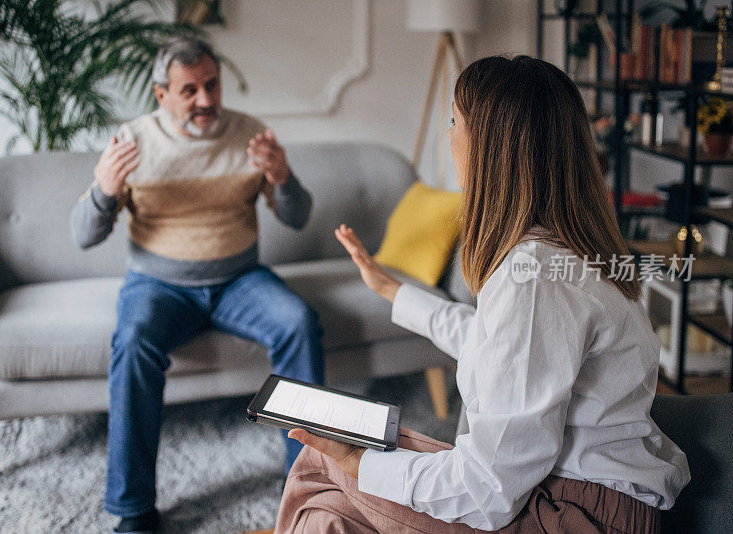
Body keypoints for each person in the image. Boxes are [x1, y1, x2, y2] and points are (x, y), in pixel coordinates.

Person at [275, 55, 690, 533]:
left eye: (455, 120)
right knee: (331, 516)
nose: (448, 135)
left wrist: (359, 463)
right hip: (584, 498)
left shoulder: (534, 277)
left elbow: (488, 490)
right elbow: (496, 347)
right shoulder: (566, 249)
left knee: (318, 467)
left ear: (493, 147)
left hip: (574, 515)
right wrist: (393, 289)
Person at [70, 37, 324, 534]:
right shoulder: (133, 140)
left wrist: (283, 176)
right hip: (157, 285)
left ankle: (309, 484)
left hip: (238, 280)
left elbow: (298, 218)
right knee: (133, 341)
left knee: (298, 321)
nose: (206, 100)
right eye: (190, 90)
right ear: (161, 93)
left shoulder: (249, 134)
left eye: (212, 85)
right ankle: (133, 509)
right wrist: (103, 189)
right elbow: (83, 236)